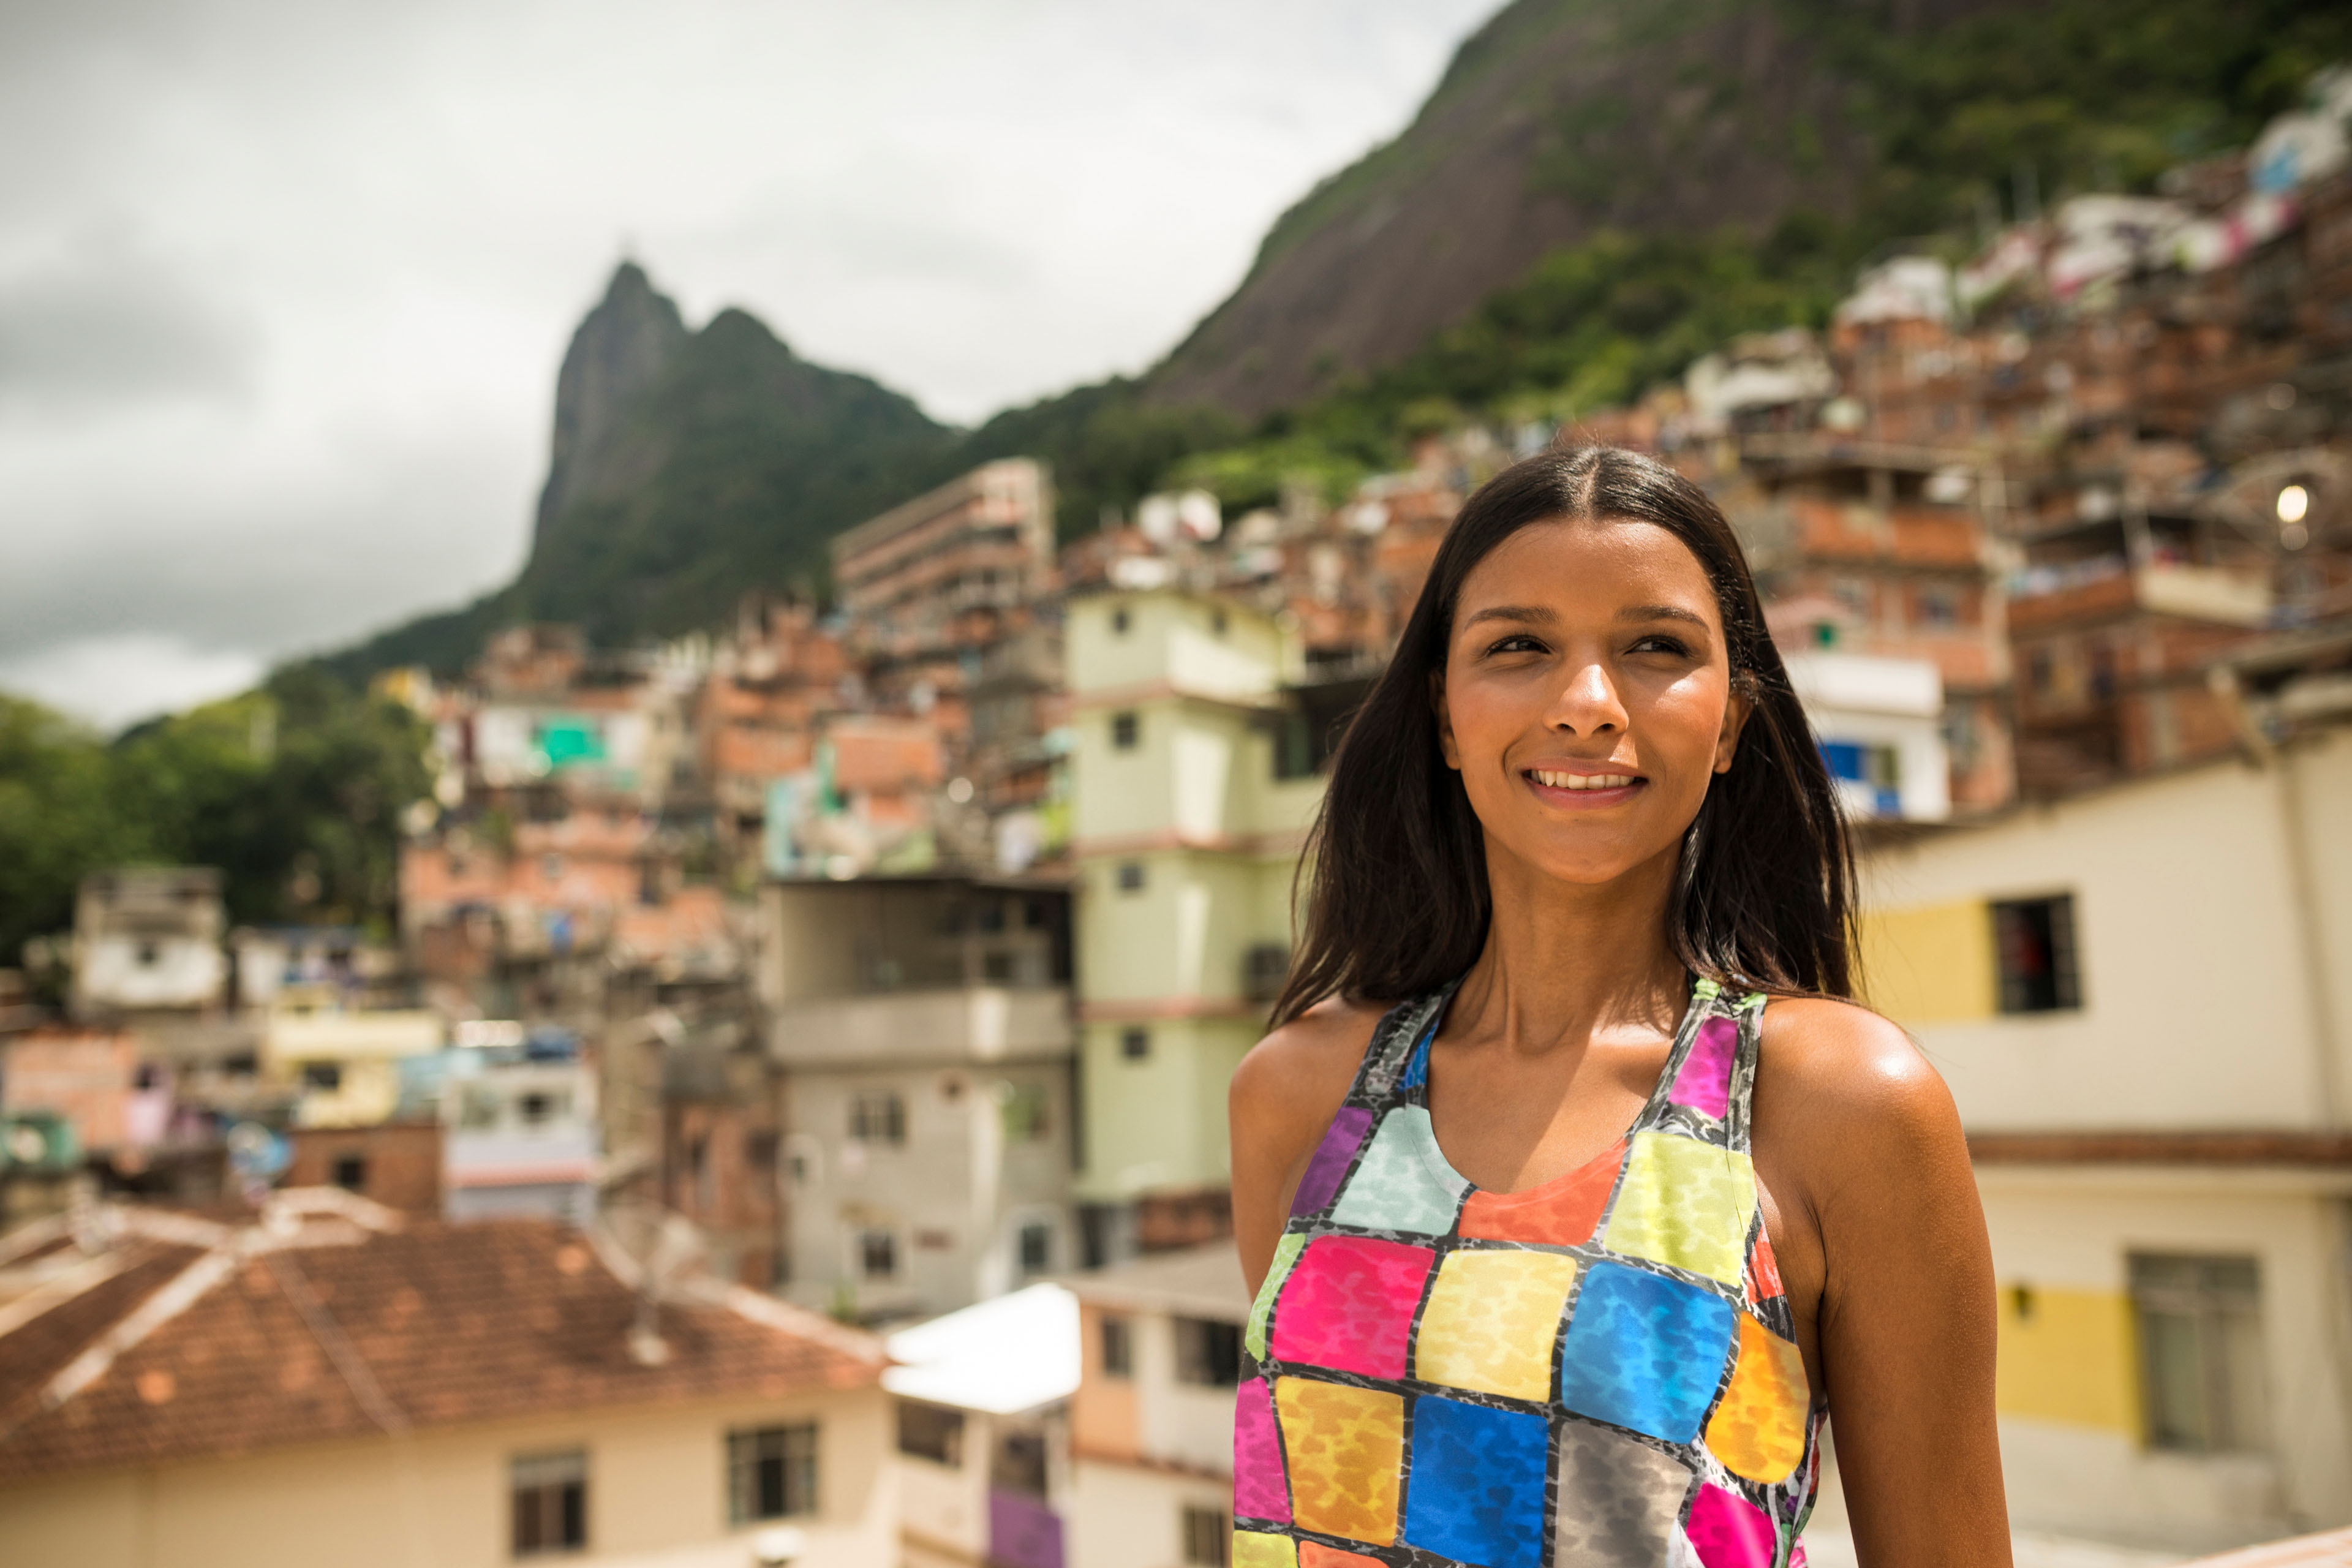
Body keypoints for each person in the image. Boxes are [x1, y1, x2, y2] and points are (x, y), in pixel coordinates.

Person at [1227, 447, 2006, 1567]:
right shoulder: (1299, 1097)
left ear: (1732, 723)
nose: (1588, 706)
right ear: (1445, 718)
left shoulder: (1843, 1107)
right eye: (1518, 648)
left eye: (1655, 648)